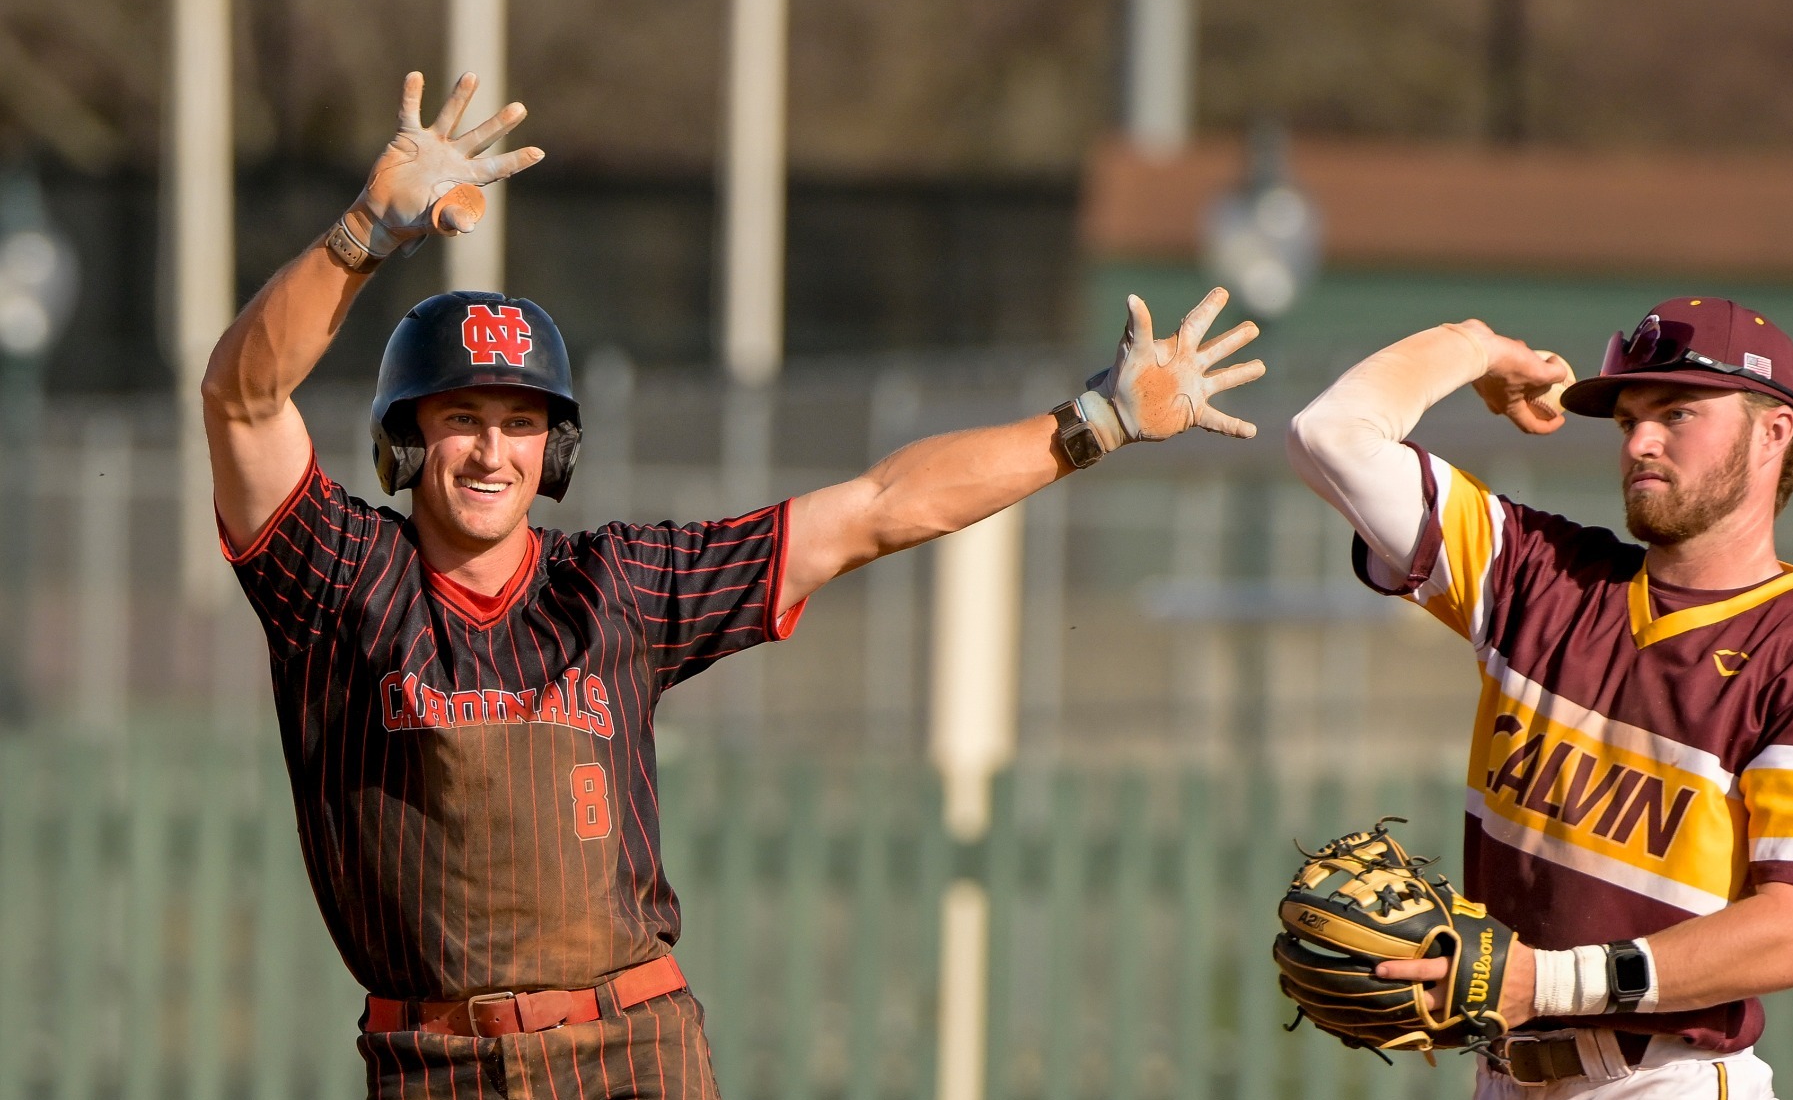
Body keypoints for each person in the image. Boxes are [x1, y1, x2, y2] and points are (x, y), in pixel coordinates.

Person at [201, 71, 1265, 1099]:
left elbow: (875, 507)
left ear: (553, 452)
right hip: (434, 1067)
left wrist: (1094, 425)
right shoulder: (341, 580)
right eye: (460, 420)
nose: (492, 452)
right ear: (404, 444)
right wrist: (362, 236)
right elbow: (243, 402)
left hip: (630, 1058)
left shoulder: (617, 586)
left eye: (521, 424)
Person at [1284, 298, 1793, 1098]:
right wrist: (1473, 346)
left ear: (1773, 431)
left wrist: (1544, 983)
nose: (1641, 440)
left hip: (1666, 1081)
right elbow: (1328, 437)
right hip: (1501, 1075)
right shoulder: (1537, 578)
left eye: (1678, 412)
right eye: (1628, 420)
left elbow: (1791, 936)